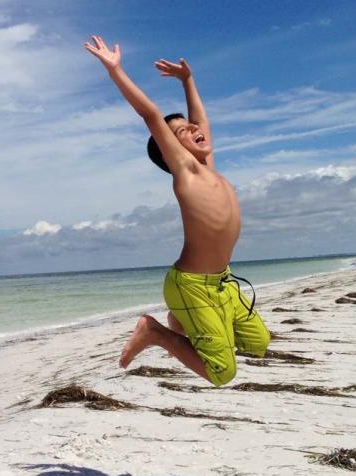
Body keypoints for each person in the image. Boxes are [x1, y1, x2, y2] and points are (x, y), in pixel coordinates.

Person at [85, 35, 270, 386]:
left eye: (193, 127)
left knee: (258, 344)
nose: (195, 130)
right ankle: (156, 332)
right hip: (191, 284)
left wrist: (188, 81)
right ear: (174, 153)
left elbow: (200, 120)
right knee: (222, 373)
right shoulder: (187, 175)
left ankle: (184, 322)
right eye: (183, 133)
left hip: (223, 282)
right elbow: (150, 113)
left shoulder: (210, 168)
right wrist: (115, 70)